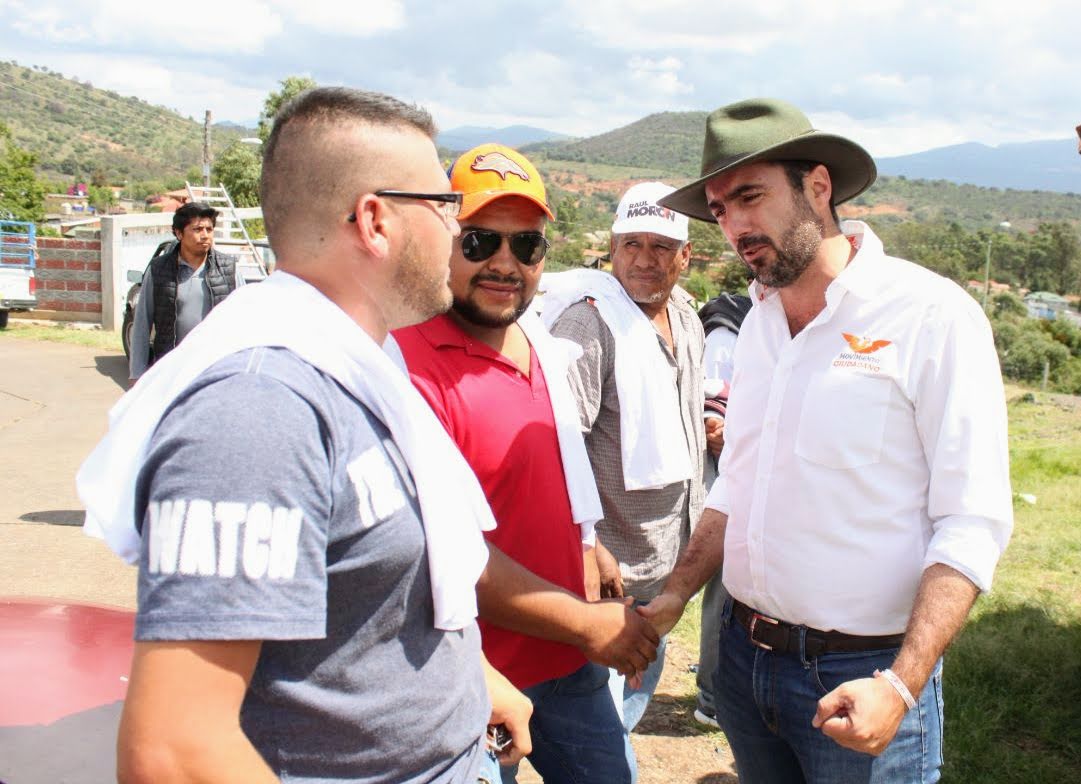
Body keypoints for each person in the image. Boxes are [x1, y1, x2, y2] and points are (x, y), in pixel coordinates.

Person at [78, 86, 533, 783]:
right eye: (444, 205)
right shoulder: (258, 410)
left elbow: (373, 581)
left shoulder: (354, 363)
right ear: (375, 220)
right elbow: (173, 753)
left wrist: (467, 680)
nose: (455, 227)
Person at [642, 97, 1013, 783]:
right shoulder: (757, 323)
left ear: (817, 186)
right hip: (742, 661)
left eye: (749, 196)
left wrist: (899, 687)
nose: (734, 226)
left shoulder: (930, 316)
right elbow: (741, 480)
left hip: (861, 677)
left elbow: (971, 520)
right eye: (719, 209)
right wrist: (675, 594)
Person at [396, 143, 657, 784]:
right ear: (441, 240)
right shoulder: (406, 367)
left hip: (569, 665)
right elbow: (439, 549)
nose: (505, 264)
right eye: (480, 241)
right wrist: (590, 624)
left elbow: (555, 461)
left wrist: (588, 542)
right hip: (473, 675)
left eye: (528, 246)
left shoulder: (536, 337)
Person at [544, 181, 707, 732]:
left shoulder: (686, 316)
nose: (643, 261)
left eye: (660, 246)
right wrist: (590, 547)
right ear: (611, 248)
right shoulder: (590, 324)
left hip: (667, 561)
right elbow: (555, 444)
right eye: (630, 244)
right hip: (609, 573)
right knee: (598, 729)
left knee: (631, 706)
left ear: (686, 255)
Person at [691, 290, 751, 730]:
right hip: (727, 473)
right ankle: (712, 697)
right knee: (725, 586)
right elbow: (714, 418)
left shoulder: (758, 320)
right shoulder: (729, 330)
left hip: (744, 472)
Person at [128, 201, 238, 383]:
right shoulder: (158, 271)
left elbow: (243, 322)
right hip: (171, 371)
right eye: (197, 229)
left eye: (209, 230)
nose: (205, 235)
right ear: (179, 233)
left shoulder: (229, 269)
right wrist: (137, 373)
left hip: (215, 370)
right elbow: (142, 323)